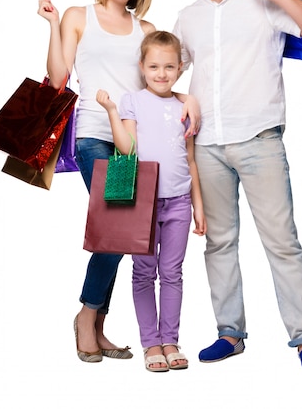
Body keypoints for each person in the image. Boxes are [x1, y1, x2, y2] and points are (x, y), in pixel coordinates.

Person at [173, 0, 302, 375]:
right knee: (219, 243)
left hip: (260, 140)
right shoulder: (188, 16)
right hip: (207, 146)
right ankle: (229, 333)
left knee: (282, 242)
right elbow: (167, 69)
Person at [38, 0, 199, 364]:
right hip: (93, 133)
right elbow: (58, 78)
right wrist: (54, 26)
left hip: (133, 140)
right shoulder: (78, 16)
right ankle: (87, 315)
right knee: (120, 224)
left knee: (123, 232)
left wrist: (185, 97)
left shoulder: (144, 29)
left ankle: (98, 321)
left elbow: (158, 82)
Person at [96, 30, 207, 372]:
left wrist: (197, 205)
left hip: (178, 203)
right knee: (144, 273)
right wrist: (113, 111)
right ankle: (151, 343)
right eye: (155, 66)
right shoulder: (131, 100)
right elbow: (127, 149)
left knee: (172, 272)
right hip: (141, 202)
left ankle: (170, 339)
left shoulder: (184, 106)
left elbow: (190, 159)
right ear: (142, 66)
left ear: (180, 68)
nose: (162, 73)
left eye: (169, 67)